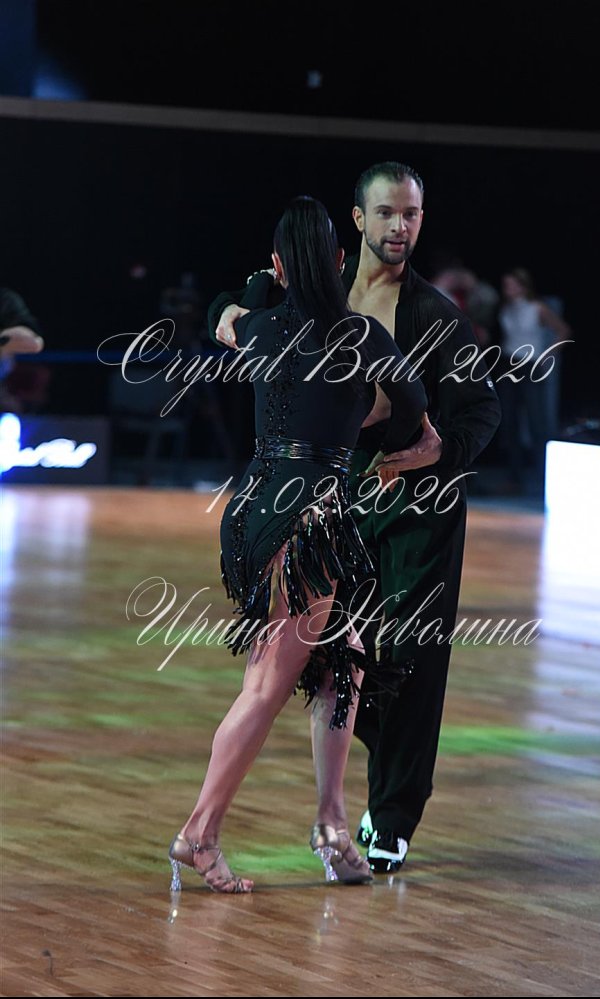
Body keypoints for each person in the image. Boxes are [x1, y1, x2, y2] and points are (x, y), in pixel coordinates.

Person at [210, 162, 502, 873]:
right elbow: (248, 302)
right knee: (345, 665)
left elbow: (481, 407)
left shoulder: (434, 315)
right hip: (337, 510)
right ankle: (330, 818)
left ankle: (391, 816)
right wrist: (234, 301)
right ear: (358, 221)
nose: (401, 226)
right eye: (388, 213)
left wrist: (439, 451)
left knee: (410, 660)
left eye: (412, 214)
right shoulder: (324, 290)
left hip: (419, 516)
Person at [169, 196, 427, 892]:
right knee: (266, 684)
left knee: (343, 663)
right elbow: (414, 415)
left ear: (281, 266)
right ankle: (199, 833)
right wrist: (372, 429)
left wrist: (259, 287)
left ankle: (331, 824)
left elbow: (223, 313)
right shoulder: (362, 336)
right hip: (309, 519)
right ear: (341, 260)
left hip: (254, 509)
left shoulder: (256, 326)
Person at [496, 268, 572, 500]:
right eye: (505, 284)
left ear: (522, 285)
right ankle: (514, 477)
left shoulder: (537, 307)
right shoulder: (507, 308)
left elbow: (563, 330)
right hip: (509, 363)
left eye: (511, 284)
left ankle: (543, 477)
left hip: (530, 364)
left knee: (536, 422)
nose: (507, 289)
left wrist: (547, 356)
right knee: (509, 422)